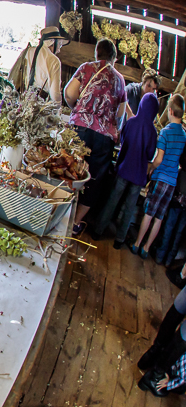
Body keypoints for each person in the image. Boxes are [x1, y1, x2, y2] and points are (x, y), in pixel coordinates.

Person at [65, 38, 128, 236]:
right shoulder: (120, 80)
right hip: (104, 139)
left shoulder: (86, 68)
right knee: (93, 180)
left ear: (96, 53)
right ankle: (75, 223)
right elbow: (120, 114)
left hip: (79, 130)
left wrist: (77, 110)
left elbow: (69, 93)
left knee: (68, 169)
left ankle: (60, 212)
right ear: (114, 58)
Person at [92, 92, 159, 249]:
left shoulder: (131, 122)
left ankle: (97, 231)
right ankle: (119, 240)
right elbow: (150, 154)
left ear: (142, 104)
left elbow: (122, 141)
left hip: (124, 169)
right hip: (138, 175)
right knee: (129, 208)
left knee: (112, 201)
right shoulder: (153, 132)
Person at [130, 94, 186, 259]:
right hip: (172, 181)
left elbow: (159, 159)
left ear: (169, 111)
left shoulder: (165, 133)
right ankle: (147, 248)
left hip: (160, 177)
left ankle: (137, 244)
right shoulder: (184, 136)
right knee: (159, 217)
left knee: (148, 213)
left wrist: (150, 168)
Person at [8, 26, 67, 103]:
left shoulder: (27, 51)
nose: (59, 49)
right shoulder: (54, 60)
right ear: (52, 42)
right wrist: (58, 108)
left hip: (22, 99)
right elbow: (55, 93)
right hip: (40, 103)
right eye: (59, 44)